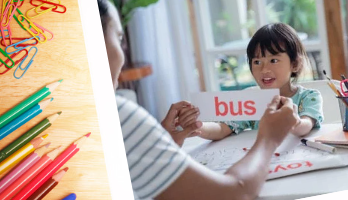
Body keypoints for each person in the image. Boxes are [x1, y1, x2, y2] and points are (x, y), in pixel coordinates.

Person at [98, 1, 300, 199]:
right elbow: (234, 194)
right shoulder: (116, 114)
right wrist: (269, 139)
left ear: (295, 64)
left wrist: (166, 139)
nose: (123, 53)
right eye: (118, 37)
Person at [190, 23, 324, 142]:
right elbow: (222, 128)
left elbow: (307, 125)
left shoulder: (309, 97)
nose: (264, 69)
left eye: (273, 60)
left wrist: (295, 123)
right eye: (257, 62)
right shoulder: (250, 101)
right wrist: (198, 126)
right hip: (260, 159)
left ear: (295, 64)